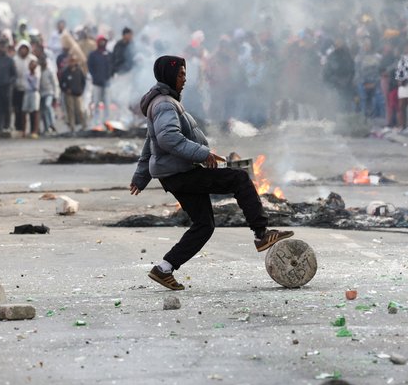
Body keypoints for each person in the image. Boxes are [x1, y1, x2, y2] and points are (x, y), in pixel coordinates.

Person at [130, 55, 294, 291]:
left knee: (204, 225)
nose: (184, 79)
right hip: (180, 174)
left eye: (185, 74)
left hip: (175, 175)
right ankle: (261, 234)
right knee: (239, 179)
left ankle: (164, 268)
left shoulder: (163, 101)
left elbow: (150, 143)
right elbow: (167, 139)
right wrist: (202, 154)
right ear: (168, 75)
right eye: (180, 74)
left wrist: (141, 176)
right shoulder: (165, 103)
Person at [88, 35, 113, 128]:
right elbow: (90, 67)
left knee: (107, 103)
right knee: (96, 102)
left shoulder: (109, 54)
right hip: (96, 83)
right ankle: (97, 121)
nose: (102, 43)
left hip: (107, 83)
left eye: (104, 41)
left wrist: (109, 75)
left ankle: (106, 121)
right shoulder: (93, 54)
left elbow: (112, 66)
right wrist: (95, 76)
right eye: (101, 41)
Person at [13, 41, 36, 134]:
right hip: (18, 88)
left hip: (30, 89)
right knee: (19, 110)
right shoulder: (15, 60)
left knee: (32, 110)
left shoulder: (32, 59)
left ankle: (33, 129)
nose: (23, 50)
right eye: (21, 48)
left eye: (25, 49)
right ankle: (19, 128)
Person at [60, 55, 87, 133]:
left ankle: (83, 125)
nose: (72, 63)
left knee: (80, 110)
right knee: (70, 110)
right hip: (69, 94)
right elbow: (61, 83)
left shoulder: (79, 71)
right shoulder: (65, 71)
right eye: (71, 61)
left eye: (73, 61)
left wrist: (81, 90)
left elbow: (83, 81)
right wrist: (65, 89)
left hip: (78, 94)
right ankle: (72, 127)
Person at [395, 40, 408, 132]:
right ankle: (402, 126)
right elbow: (399, 71)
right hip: (402, 85)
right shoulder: (402, 59)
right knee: (401, 106)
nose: (407, 49)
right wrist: (399, 80)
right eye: (406, 47)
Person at [23, 57, 41, 138]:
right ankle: (24, 130)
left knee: (35, 112)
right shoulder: (26, 74)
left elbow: (36, 85)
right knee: (24, 111)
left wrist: (33, 75)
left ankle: (35, 130)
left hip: (34, 93)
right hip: (27, 93)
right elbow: (25, 84)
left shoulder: (37, 74)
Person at [39, 57, 57, 134]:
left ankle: (52, 123)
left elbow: (54, 83)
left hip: (49, 92)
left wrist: (56, 95)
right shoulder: (39, 71)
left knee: (47, 105)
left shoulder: (49, 71)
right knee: (43, 111)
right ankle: (47, 127)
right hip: (41, 93)